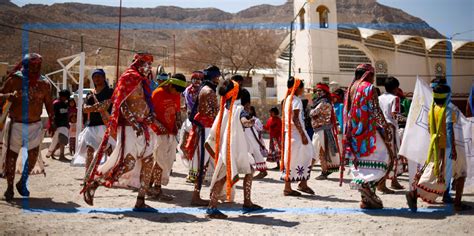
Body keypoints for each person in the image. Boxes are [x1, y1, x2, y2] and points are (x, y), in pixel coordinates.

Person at [81, 52, 167, 211]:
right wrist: (134, 122)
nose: (149, 67)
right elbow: (121, 104)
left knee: (148, 162)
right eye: (145, 63)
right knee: (128, 164)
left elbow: (145, 103)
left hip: (144, 127)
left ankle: (140, 200)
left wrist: (152, 119)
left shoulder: (144, 81)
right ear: (138, 63)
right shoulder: (128, 78)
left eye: (150, 64)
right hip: (128, 127)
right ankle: (94, 184)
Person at [406, 83, 471, 212]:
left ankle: (417, 193)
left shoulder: (432, 109)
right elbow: (449, 129)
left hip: (436, 147)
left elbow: (431, 129)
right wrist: (452, 148)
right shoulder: (448, 110)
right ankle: (457, 204)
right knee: (458, 174)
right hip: (448, 147)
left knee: (436, 173)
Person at [0, 53, 54, 202]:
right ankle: (9, 187)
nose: (36, 68)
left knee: (33, 155)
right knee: (11, 156)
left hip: (35, 125)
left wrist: (53, 121)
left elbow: (49, 103)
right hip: (16, 124)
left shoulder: (44, 83)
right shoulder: (14, 80)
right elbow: (1, 96)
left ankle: (22, 182)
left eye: (38, 65)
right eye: (33, 65)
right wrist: (8, 96)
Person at [205, 79, 262, 219]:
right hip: (232, 150)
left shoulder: (224, 108)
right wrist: (249, 122)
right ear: (236, 92)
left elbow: (215, 131)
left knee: (247, 170)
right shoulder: (238, 109)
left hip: (229, 149)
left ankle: (246, 203)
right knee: (223, 177)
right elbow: (244, 121)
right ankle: (212, 207)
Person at [343, 64, 394, 209]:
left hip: (354, 132)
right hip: (369, 131)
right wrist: (385, 127)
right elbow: (375, 110)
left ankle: (365, 199)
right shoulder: (369, 88)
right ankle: (366, 187)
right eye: (373, 75)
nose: (373, 78)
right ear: (368, 75)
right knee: (386, 157)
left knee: (363, 161)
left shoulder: (351, 87)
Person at [184, 65, 220, 206]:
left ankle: (205, 194)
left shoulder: (205, 89)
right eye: (217, 76)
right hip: (206, 129)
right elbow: (209, 113)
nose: (218, 79)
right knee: (203, 164)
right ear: (213, 77)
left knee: (207, 164)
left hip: (206, 128)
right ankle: (196, 196)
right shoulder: (209, 91)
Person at [149, 73, 187, 201]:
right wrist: (160, 127)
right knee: (159, 161)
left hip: (170, 133)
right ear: (170, 84)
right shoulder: (157, 93)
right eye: (175, 90)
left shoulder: (176, 93)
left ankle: (149, 187)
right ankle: (157, 190)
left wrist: (177, 124)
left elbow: (176, 112)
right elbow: (149, 115)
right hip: (157, 133)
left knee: (166, 161)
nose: (177, 93)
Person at [71, 69, 114, 173]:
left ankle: (112, 174)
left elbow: (107, 104)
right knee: (90, 150)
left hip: (106, 125)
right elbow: (85, 109)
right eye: (94, 77)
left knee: (110, 152)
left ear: (104, 77)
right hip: (92, 127)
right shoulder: (91, 94)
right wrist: (98, 107)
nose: (97, 79)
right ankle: (88, 175)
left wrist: (93, 107)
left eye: (99, 76)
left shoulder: (110, 92)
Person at [281, 77, 315, 196]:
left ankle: (292, 186)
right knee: (311, 155)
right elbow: (295, 118)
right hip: (297, 134)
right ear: (297, 88)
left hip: (291, 134)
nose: (303, 89)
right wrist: (302, 135)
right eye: (302, 87)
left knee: (291, 159)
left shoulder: (287, 99)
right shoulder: (296, 100)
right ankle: (301, 183)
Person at [377, 77, 406, 193]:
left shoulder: (378, 98)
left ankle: (393, 180)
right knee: (392, 154)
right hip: (390, 129)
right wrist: (408, 119)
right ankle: (382, 183)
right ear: (396, 88)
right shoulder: (395, 99)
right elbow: (395, 115)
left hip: (380, 128)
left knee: (385, 154)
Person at [310, 83, 341, 180]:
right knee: (320, 152)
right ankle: (324, 171)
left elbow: (313, 113)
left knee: (320, 152)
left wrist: (311, 112)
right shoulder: (321, 102)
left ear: (325, 92)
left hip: (323, 131)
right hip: (319, 130)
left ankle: (323, 171)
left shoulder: (324, 103)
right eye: (317, 91)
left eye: (320, 91)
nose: (318, 93)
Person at [180, 71, 204, 183]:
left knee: (195, 148)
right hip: (188, 121)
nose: (196, 81)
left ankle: (195, 174)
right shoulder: (187, 91)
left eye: (198, 79)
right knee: (183, 146)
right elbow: (186, 104)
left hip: (198, 122)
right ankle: (193, 171)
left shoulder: (203, 91)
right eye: (194, 78)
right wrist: (184, 107)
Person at [46, 89, 71, 161]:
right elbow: (52, 115)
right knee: (60, 140)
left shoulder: (65, 104)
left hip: (64, 125)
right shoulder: (56, 104)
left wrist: (67, 123)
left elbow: (66, 115)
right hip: (58, 125)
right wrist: (53, 124)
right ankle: (61, 156)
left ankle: (51, 153)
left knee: (61, 141)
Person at [249, 105, 269, 179]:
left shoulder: (256, 120)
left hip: (255, 139)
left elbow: (260, 129)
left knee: (257, 154)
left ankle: (262, 171)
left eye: (249, 109)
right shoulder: (247, 118)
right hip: (250, 139)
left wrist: (259, 141)